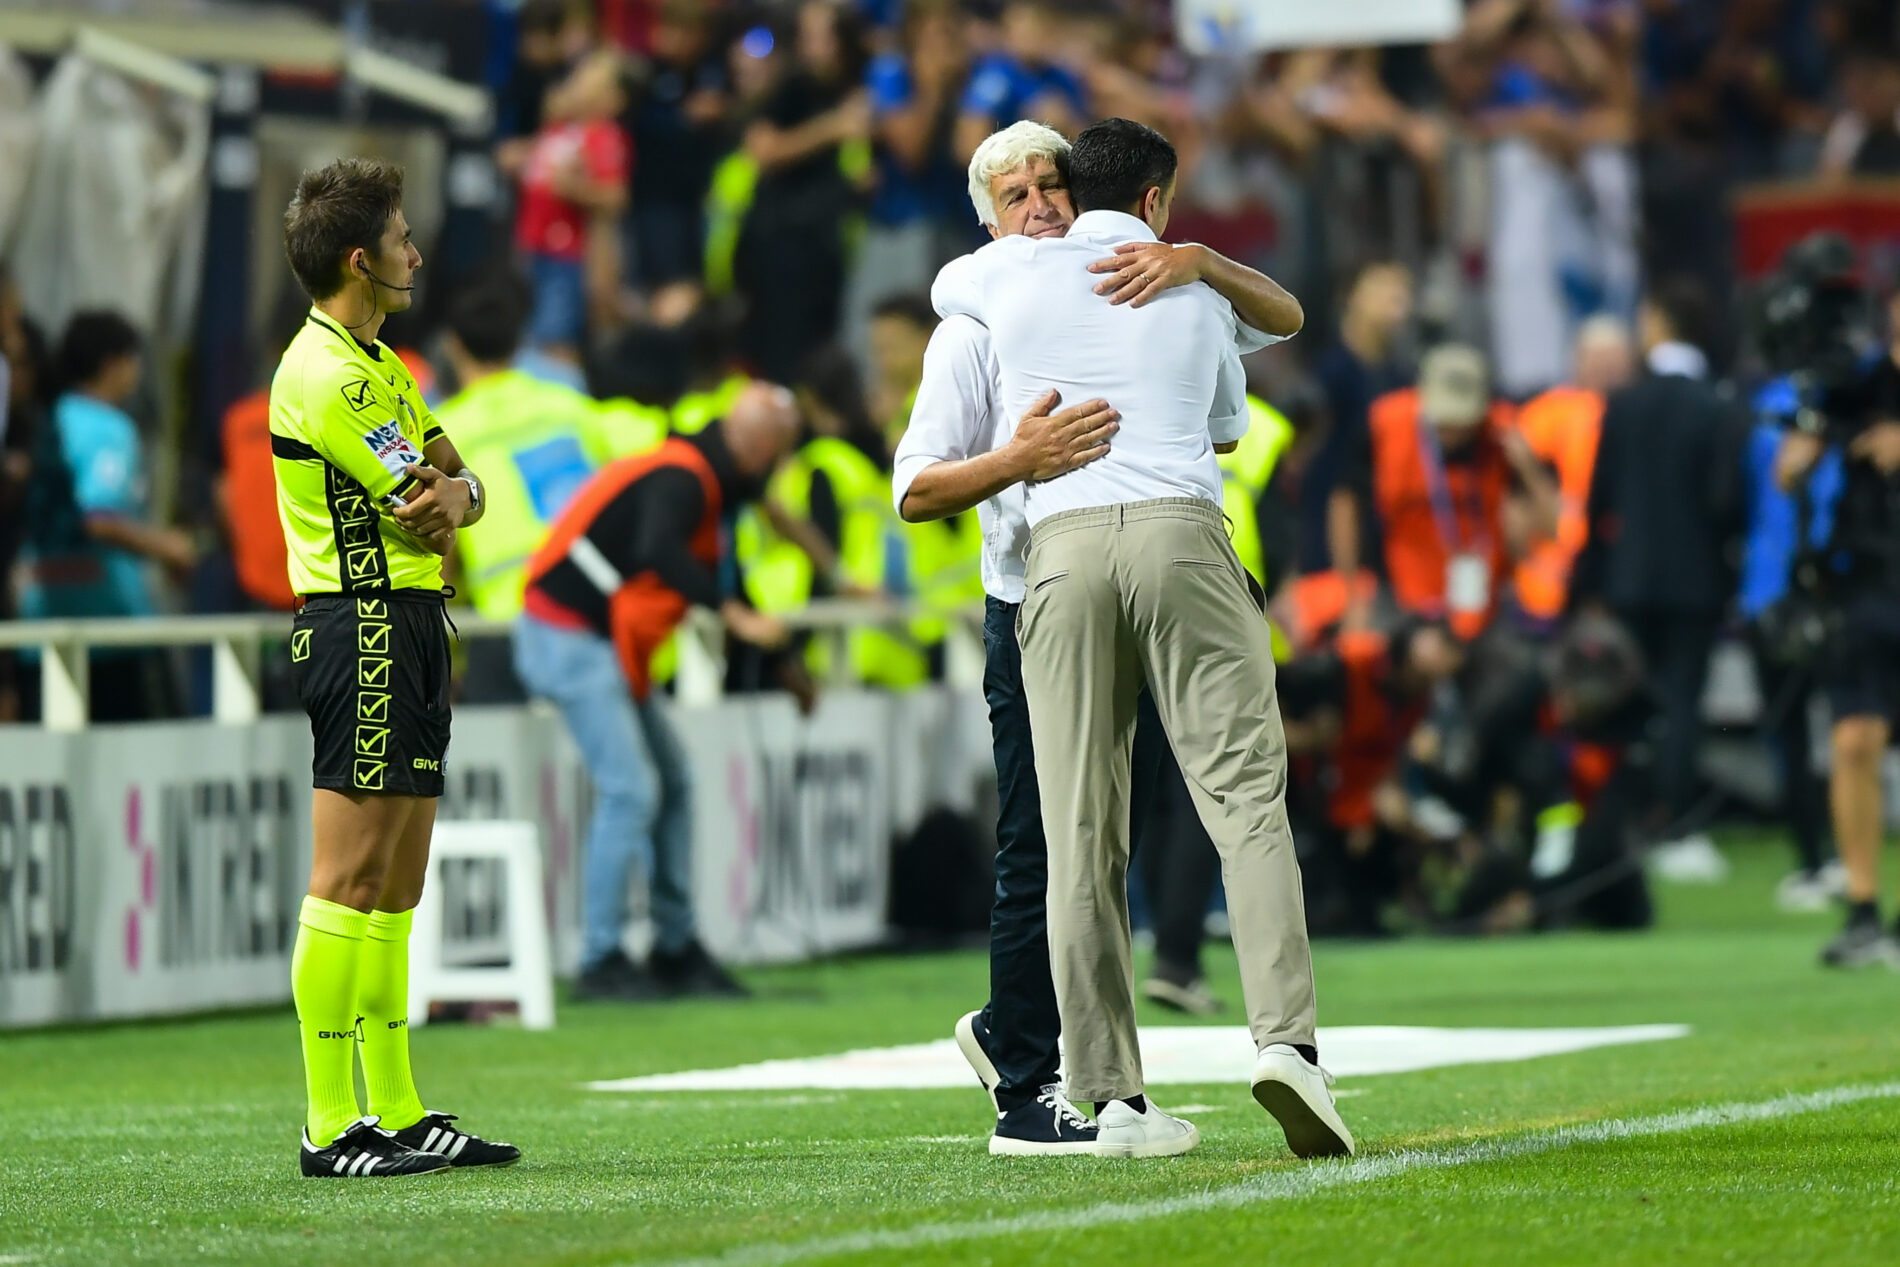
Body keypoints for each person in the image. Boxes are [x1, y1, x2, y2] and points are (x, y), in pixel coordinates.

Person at [927, 117, 1350, 1160]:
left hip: (1056, 557)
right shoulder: (1193, 289)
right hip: (1180, 531)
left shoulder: (993, 281)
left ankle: (1107, 1093)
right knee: (1244, 801)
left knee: (1077, 829)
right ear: (1160, 198)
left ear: (1071, 190)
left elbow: (950, 289)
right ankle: (1285, 1046)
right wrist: (1194, 267)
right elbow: (1234, 411)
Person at [271, 158, 510, 1178]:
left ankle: (399, 1110)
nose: (419, 250)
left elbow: (464, 487)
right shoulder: (323, 373)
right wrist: (455, 498)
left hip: (409, 627)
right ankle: (331, 1123)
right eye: (405, 237)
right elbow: (430, 491)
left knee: (397, 882)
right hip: (359, 624)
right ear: (363, 259)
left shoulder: (381, 361)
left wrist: (461, 497)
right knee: (346, 878)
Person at [513, 382, 800, 1001]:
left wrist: (784, 666)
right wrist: (731, 614)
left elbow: (725, 581)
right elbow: (658, 550)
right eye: (777, 457)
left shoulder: (703, 484)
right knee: (632, 788)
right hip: (567, 635)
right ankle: (601, 959)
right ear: (756, 450)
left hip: (597, 642)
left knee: (673, 781)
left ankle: (675, 947)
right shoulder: (684, 477)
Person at [1576, 277, 1741, 882]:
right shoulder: (1715, 405)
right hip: (1695, 581)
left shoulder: (1624, 404)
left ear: (1660, 323)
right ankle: (1679, 828)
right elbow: (1727, 502)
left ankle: (1630, 822)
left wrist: (1587, 582)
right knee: (1683, 706)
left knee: (1633, 707)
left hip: (1628, 579)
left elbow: (1599, 504)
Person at [20, 310, 197, 722]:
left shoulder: (45, 420)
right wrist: (167, 547)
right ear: (112, 364)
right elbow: (98, 517)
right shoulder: (108, 429)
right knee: (140, 767)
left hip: (40, 620)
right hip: (112, 629)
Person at [1330, 344, 1556, 640]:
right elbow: (1345, 505)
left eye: (1463, 420)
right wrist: (1351, 593)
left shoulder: (1504, 434)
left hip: (1486, 603)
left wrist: (1529, 470)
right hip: (1398, 598)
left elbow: (1551, 527)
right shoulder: (1385, 423)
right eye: (1444, 418)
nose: (1452, 428)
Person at [514, 50, 633, 362]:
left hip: (566, 253)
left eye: (595, 83)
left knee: (556, 337)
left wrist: (574, 189)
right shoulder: (563, 128)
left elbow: (615, 196)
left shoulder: (604, 136)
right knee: (532, 335)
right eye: (581, 79)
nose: (582, 88)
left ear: (614, 100)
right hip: (534, 246)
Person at [1308, 261, 1413, 575]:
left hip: (1388, 544)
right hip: (1327, 549)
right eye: (1383, 288)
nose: (1397, 300)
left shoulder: (1402, 379)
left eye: (1403, 291)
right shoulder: (1327, 377)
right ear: (1351, 296)